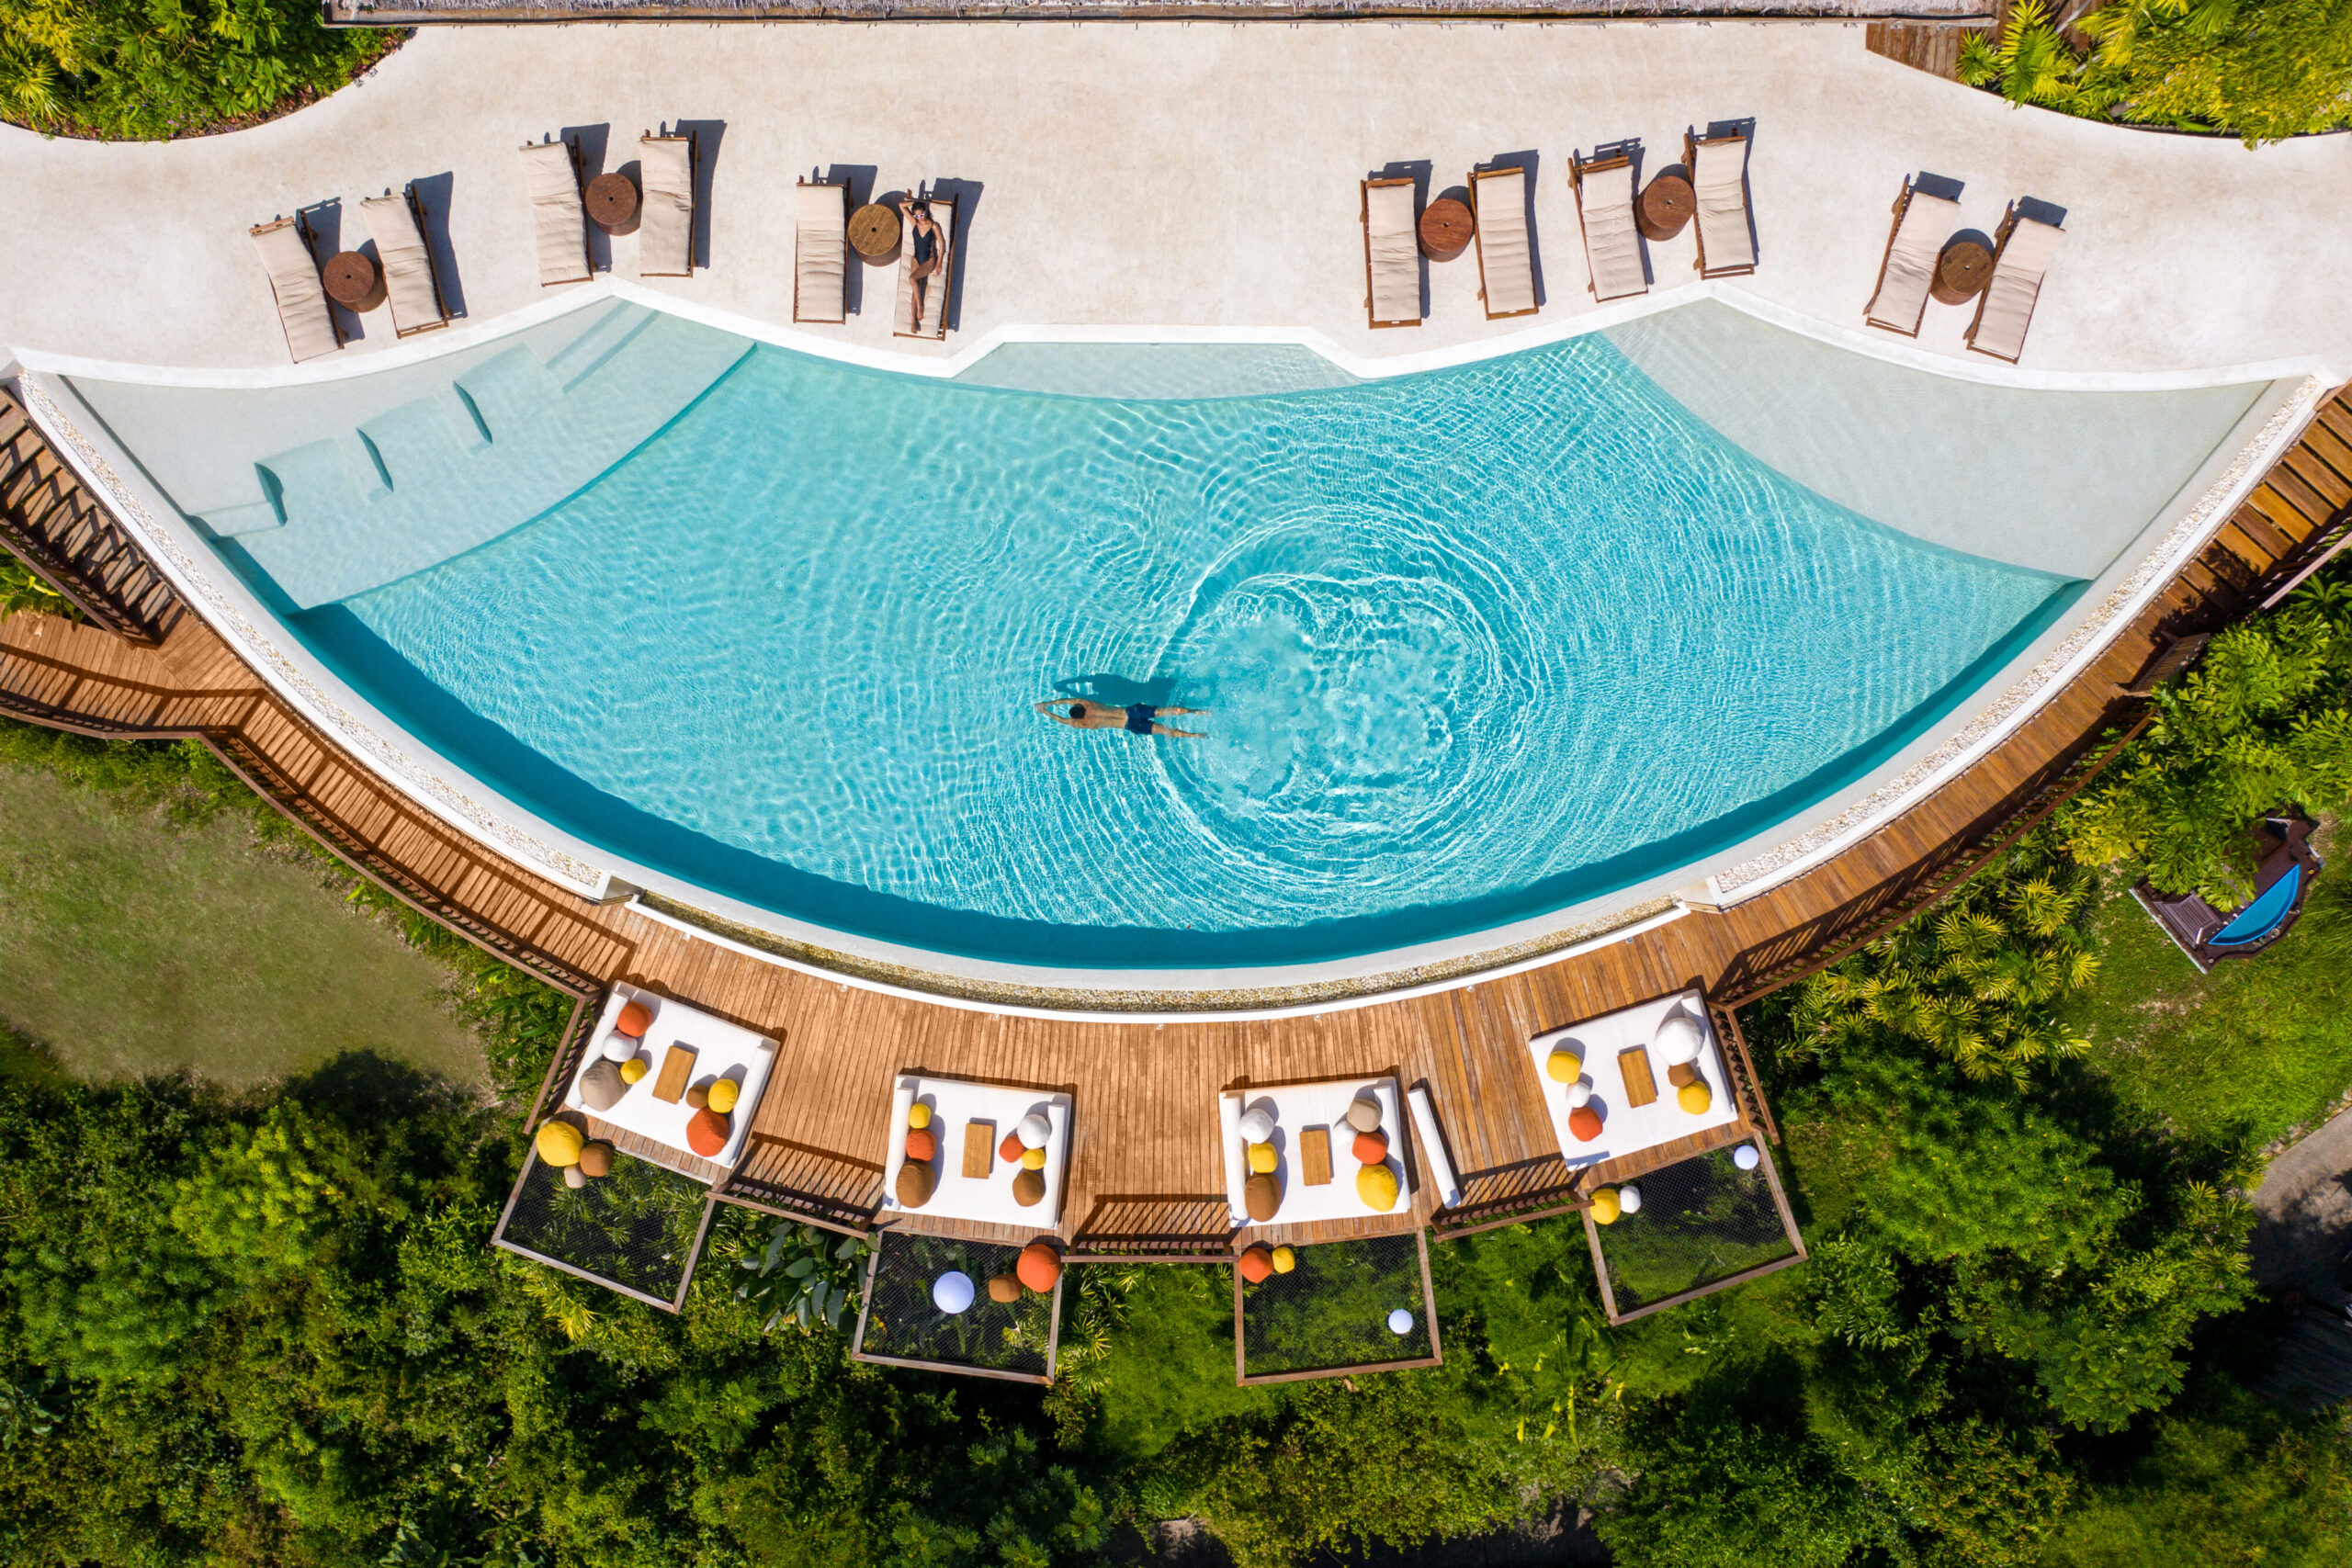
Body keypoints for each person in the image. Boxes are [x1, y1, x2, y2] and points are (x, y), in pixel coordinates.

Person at [1035, 698, 1207, 739]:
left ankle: (1195, 736)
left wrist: (1045, 713)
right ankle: (1197, 711)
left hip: (1129, 725)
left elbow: (1060, 719)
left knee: (1164, 731)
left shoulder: (1083, 724)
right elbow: (1065, 701)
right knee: (1165, 711)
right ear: (1080, 707)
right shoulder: (1087, 704)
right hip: (1131, 712)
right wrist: (1046, 704)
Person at [899, 197, 948, 333]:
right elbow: (901, 205)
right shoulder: (914, 222)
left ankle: (920, 307)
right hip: (916, 259)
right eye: (917, 216)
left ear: (926, 212)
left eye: (922, 215)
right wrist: (915, 203)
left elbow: (942, 244)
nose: (920, 218)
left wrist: (938, 263)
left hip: (929, 261)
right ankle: (913, 321)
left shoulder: (933, 226)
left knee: (912, 279)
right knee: (915, 287)